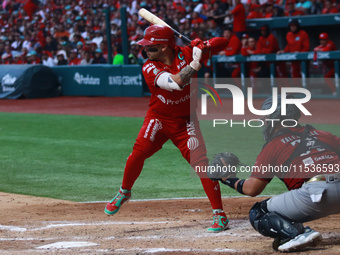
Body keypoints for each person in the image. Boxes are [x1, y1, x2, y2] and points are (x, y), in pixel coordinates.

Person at [104, 24, 230, 232]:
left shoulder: (187, 52)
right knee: (138, 153)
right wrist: (197, 62)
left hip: (186, 121)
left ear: (164, 47)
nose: (145, 50)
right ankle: (124, 192)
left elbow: (223, 43)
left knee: (201, 165)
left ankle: (220, 215)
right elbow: (176, 82)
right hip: (159, 119)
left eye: (150, 47)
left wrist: (203, 45)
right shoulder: (149, 67)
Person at [211, 96, 340, 252]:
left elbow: (252, 189)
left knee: (259, 212)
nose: (264, 121)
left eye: (266, 116)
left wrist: (228, 179)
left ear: (275, 118)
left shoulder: (274, 145)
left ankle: (295, 235)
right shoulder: (323, 134)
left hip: (316, 196)